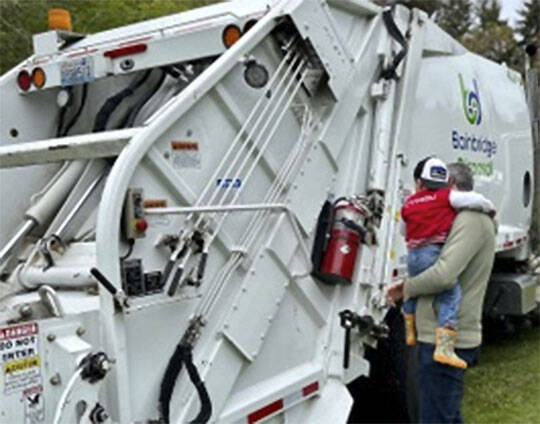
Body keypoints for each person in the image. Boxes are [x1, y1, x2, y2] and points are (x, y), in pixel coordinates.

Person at [387, 162, 496, 424]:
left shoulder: (472, 220)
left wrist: (405, 289)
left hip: (447, 340)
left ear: (451, 188)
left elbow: (444, 275)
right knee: (446, 416)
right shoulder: (463, 219)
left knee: (436, 418)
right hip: (437, 337)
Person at [400, 157, 494, 370]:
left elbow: (403, 229)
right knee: (451, 294)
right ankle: (445, 347)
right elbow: (443, 277)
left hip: (413, 253)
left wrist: (406, 287)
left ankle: (409, 330)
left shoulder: (411, 203)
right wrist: (490, 208)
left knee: (436, 400)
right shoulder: (450, 200)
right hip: (439, 335)